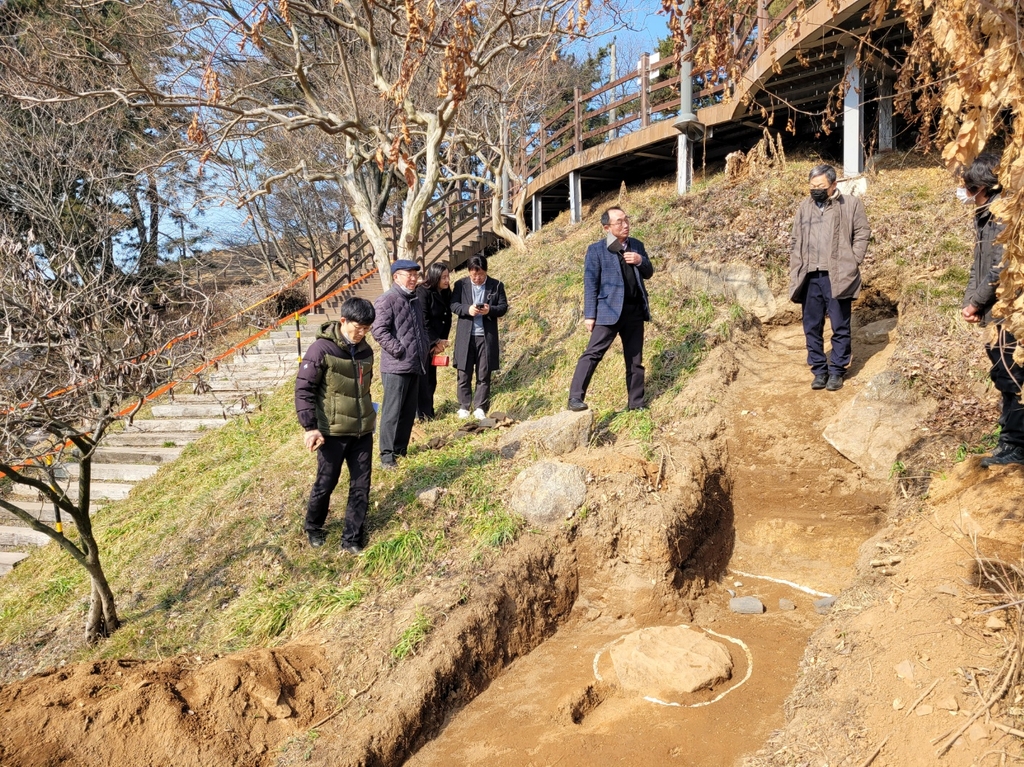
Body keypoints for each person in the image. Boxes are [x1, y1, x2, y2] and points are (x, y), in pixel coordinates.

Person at [294, 297, 376, 555]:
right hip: (332, 432)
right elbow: (303, 389)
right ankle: (313, 526)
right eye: (358, 327)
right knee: (327, 482)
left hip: (362, 431)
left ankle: (351, 538)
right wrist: (310, 427)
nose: (362, 333)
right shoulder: (320, 350)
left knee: (361, 484)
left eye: (367, 328)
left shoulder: (366, 351)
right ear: (343, 321)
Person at [960, 153, 1024, 467]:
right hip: (990, 311)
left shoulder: (1004, 215)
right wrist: (969, 302)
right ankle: (1008, 440)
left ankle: (1017, 446)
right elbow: (978, 264)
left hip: (1008, 311)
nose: (967, 194)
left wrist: (978, 301)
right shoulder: (983, 215)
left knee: (1013, 376)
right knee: (1002, 374)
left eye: (970, 188)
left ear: (984, 187)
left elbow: (1000, 266)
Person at [789, 163, 871, 391]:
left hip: (838, 274)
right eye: (812, 185)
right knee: (811, 326)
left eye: (821, 186)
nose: (816, 189)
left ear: (834, 184)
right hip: (809, 276)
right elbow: (795, 239)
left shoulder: (850, 205)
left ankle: (837, 370)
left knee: (840, 325)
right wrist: (796, 264)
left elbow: (863, 232)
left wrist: (853, 260)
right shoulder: (804, 208)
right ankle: (819, 370)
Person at [568, 205, 654, 412]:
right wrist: (590, 315)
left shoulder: (637, 245)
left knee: (635, 359)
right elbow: (590, 283)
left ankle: (636, 403)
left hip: (634, 311)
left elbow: (649, 272)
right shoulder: (596, 250)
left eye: (626, 220)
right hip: (607, 311)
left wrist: (640, 260)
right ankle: (575, 398)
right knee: (592, 354)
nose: (625, 225)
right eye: (619, 222)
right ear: (607, 228)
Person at [372, 259, 430, 469]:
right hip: (396, 366)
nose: (414, 278)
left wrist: (426, 348)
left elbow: (418, 330)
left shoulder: (413, 299)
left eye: (415, 274)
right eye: (409, 274)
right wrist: (399, 350)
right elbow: (378, 330)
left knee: (408, 410)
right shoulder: (387, 300)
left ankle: (400, 450)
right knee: (391, 412)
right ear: (396, 277)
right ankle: (386, 456)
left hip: (415, 364)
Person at [451, 254, 509, 419]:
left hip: (486, 336)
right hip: (465, 335)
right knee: (464, 372)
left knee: (484, 373)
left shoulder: (496, 285)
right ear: (469, 272)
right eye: (474, 275)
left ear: (486, 271)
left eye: (481, 274)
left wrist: (489, 310)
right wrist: (467, 310)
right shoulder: (460, 285)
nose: (477, 278)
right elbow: (453, 305)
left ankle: (480, 406)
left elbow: (503, 307)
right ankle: (463, 405)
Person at [416, 262, 453, 421]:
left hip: (437, 342)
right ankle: (424, 415)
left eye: (448, 276)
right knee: (423, 381)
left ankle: (428, 412)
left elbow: (447, 317)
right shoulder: (422, 292)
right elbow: (423, 320)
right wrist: (435, 341)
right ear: (435, 277)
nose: (447, 280)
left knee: (432, 379)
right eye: (443, 277)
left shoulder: (446, 292)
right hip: (423, 342)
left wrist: (442, 341)